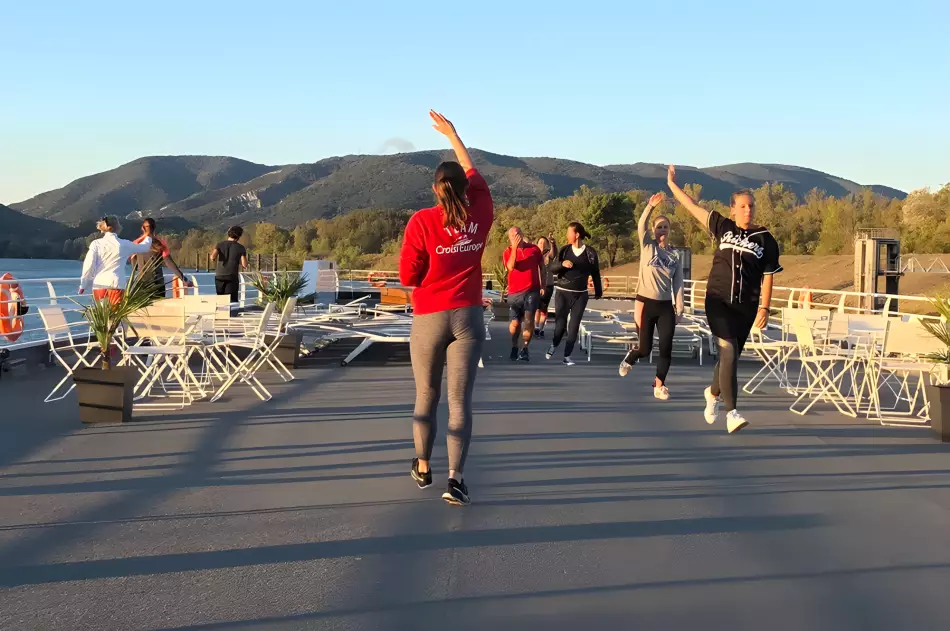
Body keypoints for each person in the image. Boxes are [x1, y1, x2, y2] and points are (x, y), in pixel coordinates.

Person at [399, 110, 493, 506]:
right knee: (460, 402)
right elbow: (472, 171)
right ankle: (456, 480)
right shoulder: (482, 210)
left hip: (430, 316)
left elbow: (408, 275)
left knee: (426, 395)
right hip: (468, 316)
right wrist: (455, 136)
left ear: (436, 189)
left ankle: (422, 466)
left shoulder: (422, 222)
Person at [667, 164, 782, 433]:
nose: (748, 210)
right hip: (718, 300)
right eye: (742, 206)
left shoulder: (765, 239)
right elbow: (693, 206)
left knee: (730, 357)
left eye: (751, 206)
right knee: (728, 351)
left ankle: (712, 393)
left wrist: (765, 306)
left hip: (747, 306)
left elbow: (768, 275)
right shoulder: (723, 226)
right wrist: (672, 186)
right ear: (732, 209)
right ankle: (732, 412)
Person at [618, 193, 684, 400]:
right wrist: (650, 207)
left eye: (665, 227)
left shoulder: (675, 255)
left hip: (665, 306)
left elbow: (678, 283)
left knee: (666, 347)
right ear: (654, 231)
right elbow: (641, 225)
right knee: (645, 349)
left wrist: (679, 308)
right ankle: (631, 356)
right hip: (646, 303)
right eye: (659, 227)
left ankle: (659, 384)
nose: (662, 230)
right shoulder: (648, 246)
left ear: (669, 230)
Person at [545, 222, 602, 366]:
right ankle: (554, 343)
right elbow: (552, 268)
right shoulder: (564, 250)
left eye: (568, 232)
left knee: (574, 326)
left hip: (580, 295)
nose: (566, 235)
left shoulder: (590, 252)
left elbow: (595, 273)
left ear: (576, 235)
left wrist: (598, 290)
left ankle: (567, 355)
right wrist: (562, 264)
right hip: (563, 292)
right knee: (560, 325)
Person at [79, 216, 159, 303]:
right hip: (116, 283)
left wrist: (83, 285)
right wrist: (148, 234)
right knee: (115, 315)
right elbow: (144, 247)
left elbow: (88, 265)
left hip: (99, 284)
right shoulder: (124, 244)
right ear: (117, 227)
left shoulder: (96, 244)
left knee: (103, 315)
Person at [503, 226, 543, 361]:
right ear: (510, 238)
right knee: (515, 323)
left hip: (532, 290)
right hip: (515, 293)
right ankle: (514, 345)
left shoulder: (534, 249)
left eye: (518, 233)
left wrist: (542, 284)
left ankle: (525, 348)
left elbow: (542, 267)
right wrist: (514, 248)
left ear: (522, 234)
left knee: (529, 319)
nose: (517, 236)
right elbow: (510, 266)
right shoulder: (507, 252)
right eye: (513, 235)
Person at [132, 218, 193, 300]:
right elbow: (169, 263)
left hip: (142, 282)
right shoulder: (160, 243)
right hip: (157, 282)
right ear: (154, 228)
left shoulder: (136, 243)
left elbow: (134, 266)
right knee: (159, 308)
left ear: (142, 228)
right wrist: (184, 279)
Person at [211, 226, 249, 306]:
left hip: (219, 275)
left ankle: (221, 316)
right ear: (239, 236)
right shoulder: (241, 248)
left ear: (229, 234)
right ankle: (232, 316)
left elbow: (212, 257)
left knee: (220, 299)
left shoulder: (220, 244)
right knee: (231, 300)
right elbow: (244, 264)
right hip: (232, 276)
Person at [534, 234, 557, 338]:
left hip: (548, 285)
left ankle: (542, 328)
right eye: (540, 243)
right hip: (536, 285)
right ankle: (536, 327)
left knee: (543, 307)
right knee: (536, 307)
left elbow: (554, 252)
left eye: (544, 243)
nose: (542, 245)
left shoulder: (549, 255)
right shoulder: (534, 253)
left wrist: (553, 243)